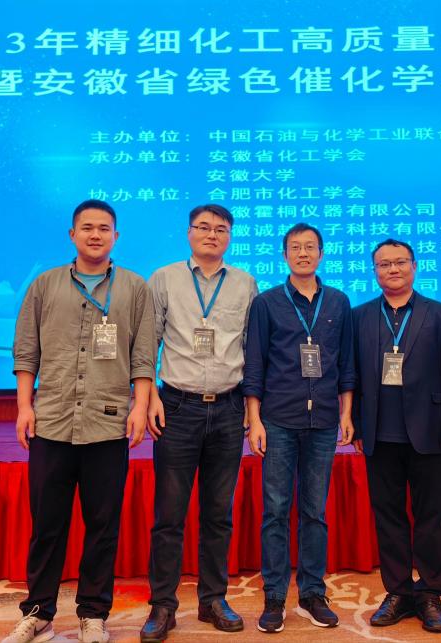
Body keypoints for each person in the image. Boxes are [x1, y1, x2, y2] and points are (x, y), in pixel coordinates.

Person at [4, 199, 155, 643]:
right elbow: (26, 350)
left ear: (116, 236)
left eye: (104, 228)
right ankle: (38, 613)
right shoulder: (45, 285)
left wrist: (140, 406)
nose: (95, 235)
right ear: (72, 235)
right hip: (51, 422)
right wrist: (24, 406)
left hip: (107, 425)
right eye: (87, 227)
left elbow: (144, 355)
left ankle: (93, 614)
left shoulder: (135, 288)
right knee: (47, 525)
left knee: (102, 527)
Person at [139, 204, 257, 643]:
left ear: (229, 236)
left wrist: (251, 409)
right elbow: (147, 342)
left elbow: (251, 348)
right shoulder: (164, 278)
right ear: (189, 233)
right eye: (203, 227)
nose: (211, 234)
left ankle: (213, 600)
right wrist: (149, 396)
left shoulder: (244, 283)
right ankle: (163, 605)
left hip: (228, 408)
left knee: (218, 514)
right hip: (177, 407)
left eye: (220, 229)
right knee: (169, 515)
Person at [351, 239, 441, 634]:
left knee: (430, 517)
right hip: (379, 433)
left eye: (400, 262)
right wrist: (356, 424)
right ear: (375, 271)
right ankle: (399, 591)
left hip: (430, 433)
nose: (393, 269)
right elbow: (352, 375)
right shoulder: (360, 316)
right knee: (388, 517)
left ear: (414, 266)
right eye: (384, 264)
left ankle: (431, 592)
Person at [243, 223, 356, 633]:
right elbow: (255, 363)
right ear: (285, 255)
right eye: (295, 247)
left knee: (314, 511)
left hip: (323, 420)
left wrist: (346, 414)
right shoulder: (266, 303)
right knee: (275, 511)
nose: (303, 253)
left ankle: (312, 594)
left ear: (321, 254)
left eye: (310, 247)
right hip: (277, 419)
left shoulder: (338, 301)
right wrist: (254, 419)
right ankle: (274, 597)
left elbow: (347, 364)